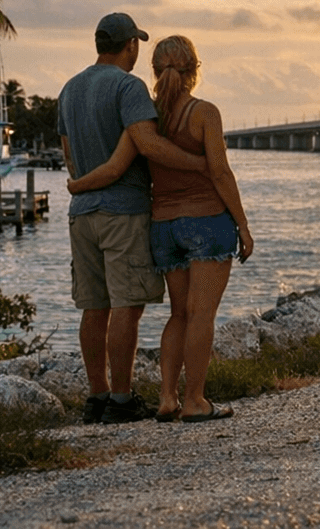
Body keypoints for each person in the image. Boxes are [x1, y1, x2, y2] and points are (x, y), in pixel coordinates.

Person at [68, 34, 253, 423]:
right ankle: (196, 401)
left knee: (178, 316)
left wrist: (78, 185)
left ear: (154, 71)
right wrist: (243, 224)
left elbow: (115, 166)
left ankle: (167, 398)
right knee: (202, 315)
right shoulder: (205, 113)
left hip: (163, 227)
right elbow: (219, 171)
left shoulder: (147, 118)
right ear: (195, 70)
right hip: (206, 221)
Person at [58, 13, 208, 425]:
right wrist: (202, 164)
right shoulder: (129, 86)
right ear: (130, 46)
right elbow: (148, 145)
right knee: (127, 304)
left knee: (93, 306)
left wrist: (81, 184)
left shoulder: (69, 89)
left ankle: (97, 396)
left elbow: (69, 154)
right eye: (136, 45)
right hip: (121, 211)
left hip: (81, 212)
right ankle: (122, 400)